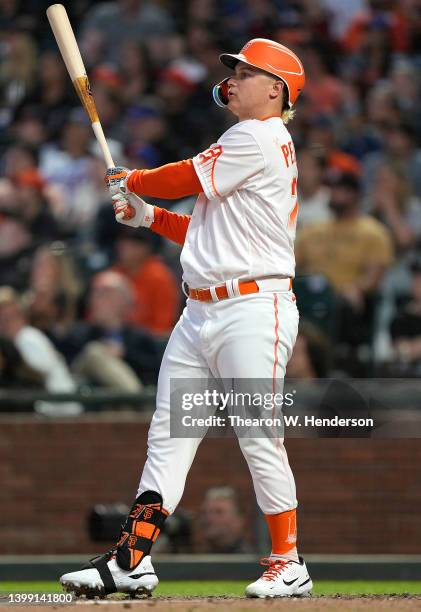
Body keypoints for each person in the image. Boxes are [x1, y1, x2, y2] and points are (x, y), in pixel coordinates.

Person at [60, 38, 313, 598]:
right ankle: (132, 558)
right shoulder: (244, 142)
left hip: (253, 308)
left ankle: (288, 560)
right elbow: (203, 231)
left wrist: (135, 181)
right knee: (169, 440)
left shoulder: (260, 136)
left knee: (258, 434)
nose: (235, 78)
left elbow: (180, 179)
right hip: (201, 311)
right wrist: (148, 216)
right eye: (237, 71)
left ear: (276, 89)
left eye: (247, 72)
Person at [199, 486, 250, 554]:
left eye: (219, 512)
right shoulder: (196, 558)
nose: (209, 518)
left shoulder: (252, 560)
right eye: (205, 512)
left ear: (238, 520)